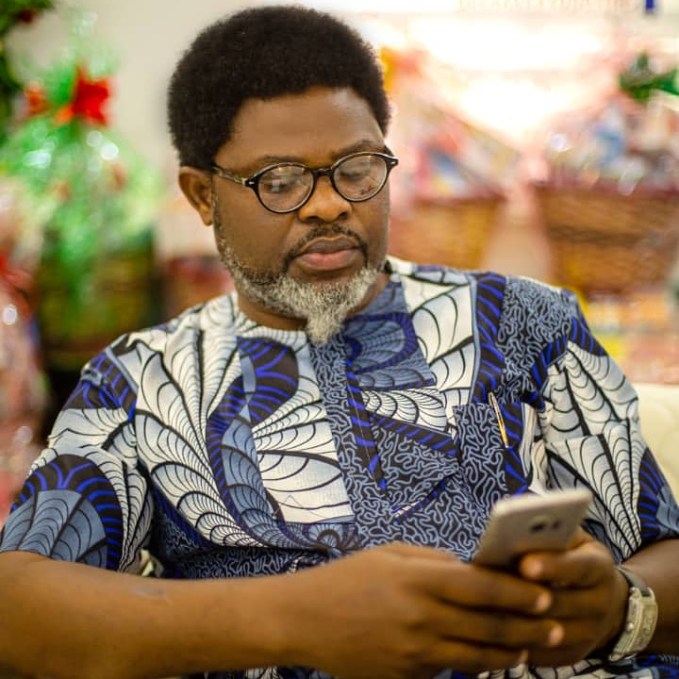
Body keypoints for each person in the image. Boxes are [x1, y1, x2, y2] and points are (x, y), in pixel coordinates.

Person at [0, 5, 678, 679]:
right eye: (280, 181)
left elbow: (662, 549)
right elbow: (17, 609)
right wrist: (291, 618)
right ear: (202, 196)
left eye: (356, 169)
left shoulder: (523, 320)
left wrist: (619, 607)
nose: (329, 204)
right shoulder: (141, 380)